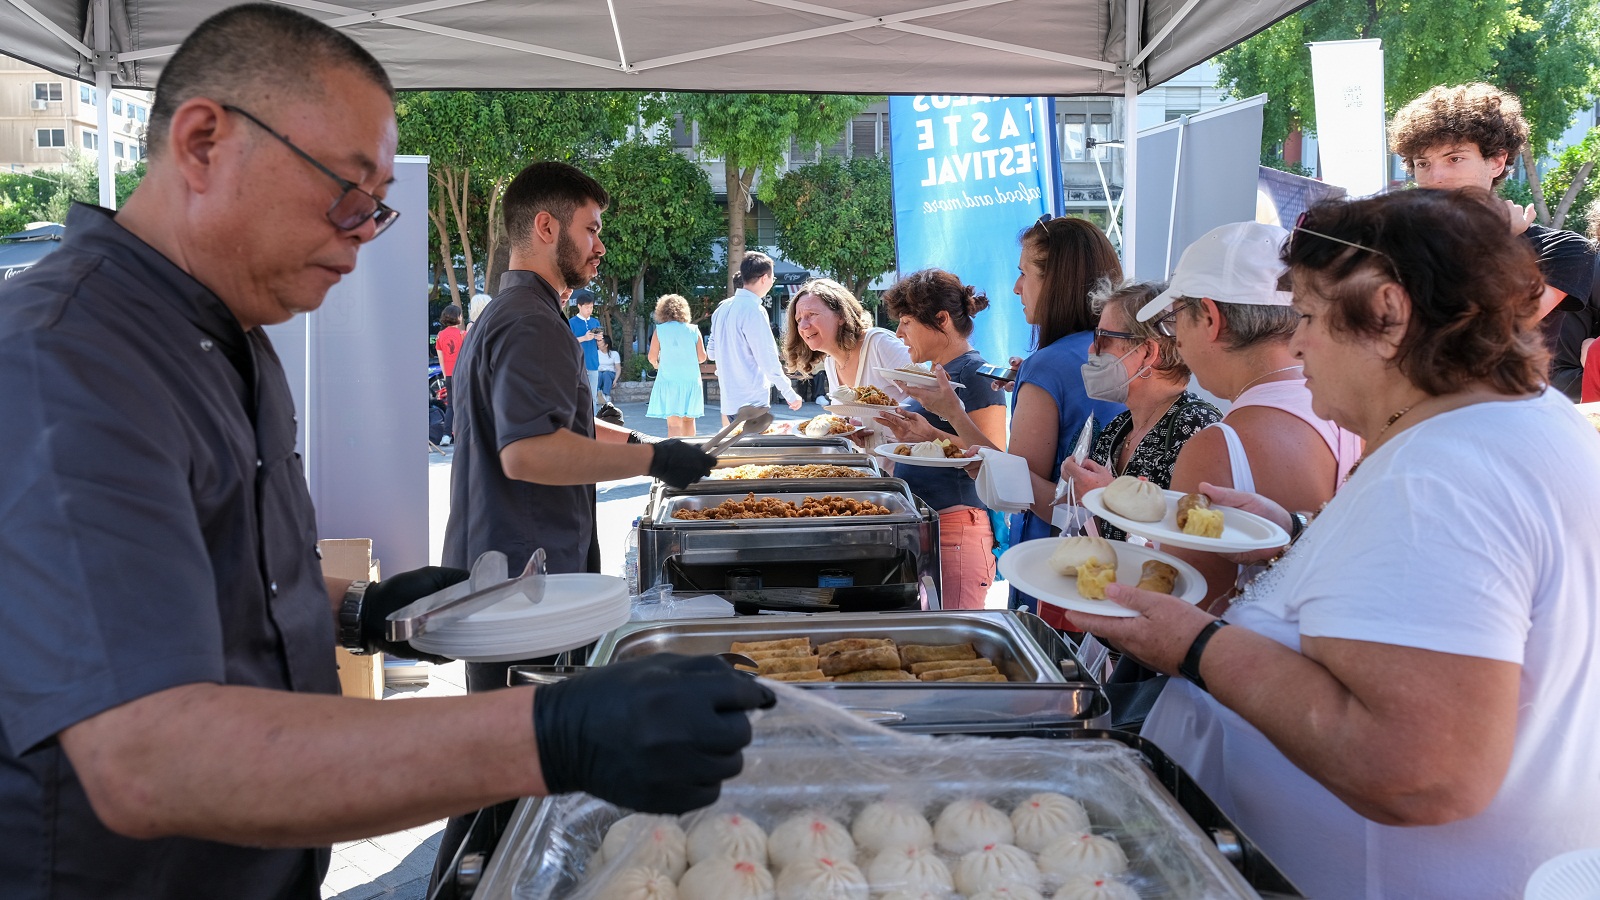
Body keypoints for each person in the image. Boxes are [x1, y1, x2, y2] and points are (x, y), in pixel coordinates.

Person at [0, 7, 768, 900]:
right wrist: (549, 733)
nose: (366, 230)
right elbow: (145, 757)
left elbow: (211, 576)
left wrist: (357, 608)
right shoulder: (68, 358)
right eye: (347, 190)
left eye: (377, 204)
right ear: (204, 143)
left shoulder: (232, 337)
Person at [1076, 189, 1600, 897]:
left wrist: (1195, 646)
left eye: (1311, 317)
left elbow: (1420, 772)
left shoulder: (1437, 476)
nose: (1295, 344)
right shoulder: (1523, 423)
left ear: (1388, 313)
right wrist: (1298, 536)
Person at [443, 159, 716, 687]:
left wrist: (637, 438)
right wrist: (656, 459)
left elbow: (565, 422)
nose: (600, 245)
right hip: (526, 581)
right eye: (590, 229)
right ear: (546, 227)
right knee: (528, 728)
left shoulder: (509, 311)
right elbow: (529, 450)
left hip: (505, 571)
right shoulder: (531, 321)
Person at [1132, 221, 1362, 607]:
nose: (1178, 339)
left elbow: (1182, 615)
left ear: (1210, 318)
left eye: (1175, 318)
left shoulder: (1217, 448)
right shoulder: (1355, 413)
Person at [1390, 82, 1596, 395]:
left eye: (1454, 158)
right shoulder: (1396, 247)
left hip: (1506, 412)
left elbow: (1483, 339)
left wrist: (1495, 242)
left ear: (1497, 161)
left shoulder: (1561, 249)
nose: (1435, 177)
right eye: (1423, 163)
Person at [1005, 217, 1126, 612]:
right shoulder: (1123, 354)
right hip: (1119, 567)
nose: (1017, 287)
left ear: (1056, 281)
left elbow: (1024, 487)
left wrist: (972, 447)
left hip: (1053, 572)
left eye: (1024, 273)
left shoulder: (1047, 366)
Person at [868, 270, 1009, 609]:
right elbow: (941, 442)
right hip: (927, 528)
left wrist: (931, 434)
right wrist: (918, 435)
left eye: (906, 322)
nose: (899, 333)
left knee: (953, 635)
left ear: (942, 320)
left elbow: (996, 459)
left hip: (954, 529)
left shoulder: (974, 374)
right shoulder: (935, 373)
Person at [1059, 280, 1222, 543]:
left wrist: (1106, 494)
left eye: (1102, 339)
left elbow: (1197, 539)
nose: (1091, 349)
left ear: (1147, 352)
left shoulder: (1198, 426)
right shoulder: (1118, 428)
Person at [784, 276, 913, 405]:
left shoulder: (878, 344)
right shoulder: (831, 362)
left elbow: (925, 392)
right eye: (799, 319)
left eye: (812, 314)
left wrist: (899, 416)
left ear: (841, 315)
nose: (803, 326)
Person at [709, 251, 803, 423]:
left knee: (738, 440)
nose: (772, 282)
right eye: (772, 278)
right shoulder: (754, 310)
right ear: (764, 278)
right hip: (752, 399)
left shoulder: (721, 309)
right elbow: (767, 359)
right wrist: (789, 393)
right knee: (754, 441)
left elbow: (712, 353)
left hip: (729, 400)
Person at [646, 292, 708, 437]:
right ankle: (690, 450)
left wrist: (657, 365)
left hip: (669, 380)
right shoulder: (693, 329)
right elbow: (702, 357)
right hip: (691, 381)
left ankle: (676, 452)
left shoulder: (660, 330)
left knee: (673, 424)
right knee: (689, 421)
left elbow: (652, 357)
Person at [568, 290, 604, 409]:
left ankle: (592, 420)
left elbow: (600, 344)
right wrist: (584, 338)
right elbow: (567, 342)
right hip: (577, 365)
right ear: (579, 306)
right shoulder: (571, 322)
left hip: (593, 363)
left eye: (591, 307)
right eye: (587, 307)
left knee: (592, 396)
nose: (590, 310)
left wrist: (599, 339)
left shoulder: (595, 322)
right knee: (576, 397)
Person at [436, 304, 465, 434]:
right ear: (457, 317)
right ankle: (463, 433)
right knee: (465, 404)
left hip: (448, 375)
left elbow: (441, 358)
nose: (462, 317)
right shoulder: (463, 334)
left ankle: (446, 435)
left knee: (451, 406)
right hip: (462, 374)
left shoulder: (440, 335)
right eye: (460, 315)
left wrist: (445, 374)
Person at [595, 332, 621, 403]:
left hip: (610, 373)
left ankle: (606, 395)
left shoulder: (614, 354)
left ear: (606, 345)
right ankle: (598, 394)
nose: (598, 343)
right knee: (599, 375)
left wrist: (615, 380)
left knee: (606, 374)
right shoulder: (596, 353)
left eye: (600, 342)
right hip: (599, 372)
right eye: (598, 341)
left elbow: (618, 369)